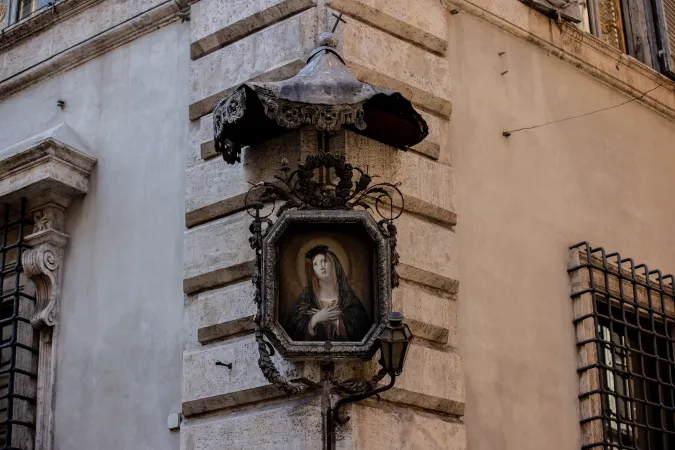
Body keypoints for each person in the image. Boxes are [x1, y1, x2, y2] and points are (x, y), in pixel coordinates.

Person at [285, 245, 370, 342]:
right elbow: (294, 327)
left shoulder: (347, 297)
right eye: (315, 264)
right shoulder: (307, 296)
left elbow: (362, 327)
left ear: (334, 264)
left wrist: (337, 322)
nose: (321, 267)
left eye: (324, 261)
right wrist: (315, 319)